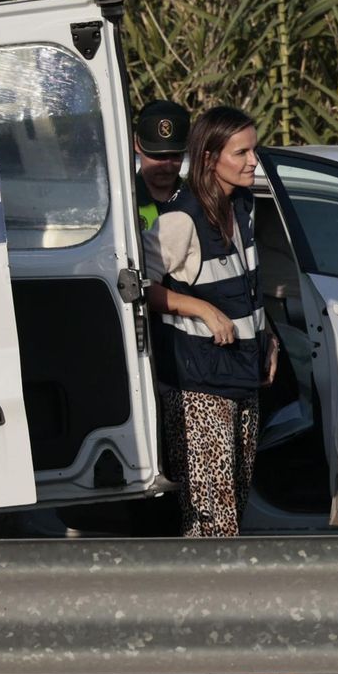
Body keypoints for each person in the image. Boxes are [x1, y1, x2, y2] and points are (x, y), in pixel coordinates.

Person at [144, 106, 279, 537]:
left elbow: (249, 286)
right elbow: (140, 289)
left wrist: (268, 337)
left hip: (244, 374)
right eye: (241, 153)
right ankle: (209, 599)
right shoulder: (181, 217)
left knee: (232, 510)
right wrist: (199, 308)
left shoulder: (243, 206)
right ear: (209, 158)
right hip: (198, 385)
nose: (252, 161)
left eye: (252, 150)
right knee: (210, 519)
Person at [133, 99, 191, 231]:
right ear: (136, 145)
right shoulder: (121, 203)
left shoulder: (198, 203)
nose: (168, 166)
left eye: (176, 155)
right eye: (158, 156)